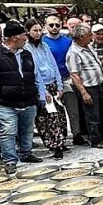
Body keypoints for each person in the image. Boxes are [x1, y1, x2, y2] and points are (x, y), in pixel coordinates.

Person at [0, 21, 48, 174]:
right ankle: (10, 160)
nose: (26, 38)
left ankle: (26, 153)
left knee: (27, 129)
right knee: (8, 131)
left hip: (28, 99)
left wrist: (41, 95)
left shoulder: (27, 53)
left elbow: (37, 76)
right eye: (23, 36)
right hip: (5, 101)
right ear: (14, 37)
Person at [67, 24, 103, 149]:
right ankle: (96, 140)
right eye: (89, 35)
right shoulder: (73, 52)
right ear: (81, 37)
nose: (91, 37)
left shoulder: (88, 47)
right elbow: (74, 75)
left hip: (99, 84)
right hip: (88, 87)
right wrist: (84, 92)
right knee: (93, 115)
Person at [21, 20, 66, 159]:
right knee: (48, 117)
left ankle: (61, 141)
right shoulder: (26, 49)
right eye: (35, 30)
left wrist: (59, 85)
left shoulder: (45, 46)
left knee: (60, 116)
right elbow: (34, 72)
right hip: (41, 86)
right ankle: (55, 145)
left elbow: (53, 65)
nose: (38, 33)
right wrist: (42, 91)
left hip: (53, 82)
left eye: (40, 30)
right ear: (28, 32)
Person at [42, 15, 84, 146]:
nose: (54, 28)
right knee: (55, 112)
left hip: (67, 78)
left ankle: (77, 133)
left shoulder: (68, 41)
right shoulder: (43, 42)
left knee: (73, 109)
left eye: (57, 25)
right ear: (46, 26)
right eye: (51, 25)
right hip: (51, 81)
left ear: (61, 25)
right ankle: (60, 136)